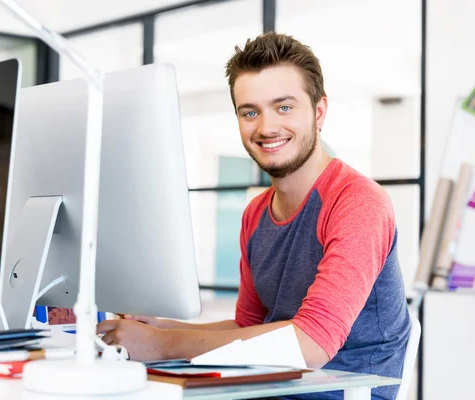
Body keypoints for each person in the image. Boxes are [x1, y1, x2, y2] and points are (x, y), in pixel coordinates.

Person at [97, 32, 411, 400]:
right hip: (266, 386)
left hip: (342, 393)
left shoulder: (358, 202)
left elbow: (311, 345)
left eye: (284, 107)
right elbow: (248, 327)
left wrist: (165, 344)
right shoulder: (256, 214)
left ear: (319, 111)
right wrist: (161, 327)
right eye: (250, 112)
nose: (266, 128)